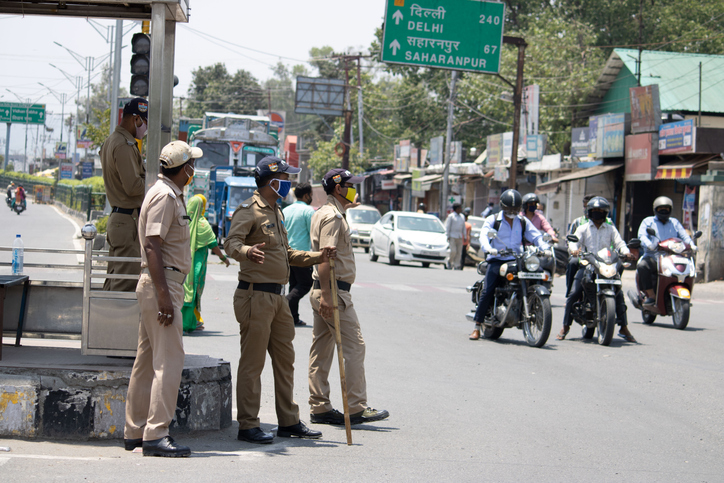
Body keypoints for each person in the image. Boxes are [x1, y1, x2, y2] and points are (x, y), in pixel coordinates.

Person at [224, 156, 334, 445]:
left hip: (278, 299)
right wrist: (247, 251)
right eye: (285, 177)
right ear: (272, 180)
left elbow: (287, 255)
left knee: (285, 361)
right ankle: (248, 425)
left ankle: (288, 420)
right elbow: (230, 243)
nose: (290, 182)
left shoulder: (278, 211)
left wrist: (319, 256)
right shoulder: (250, 210)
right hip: (255, 295)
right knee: (253, 363)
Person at [123, 140, 201, 458]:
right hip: (162, 284)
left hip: (162, 283)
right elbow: (153, 246)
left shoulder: (167, 193)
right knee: (170, 361)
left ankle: (135, 430)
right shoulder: (165, 196)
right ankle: (155, 433)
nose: (193, 169)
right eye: (191, 164)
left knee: (146, 362)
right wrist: (164, 296)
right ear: (184, 169)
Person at [308, 168, 389, 426]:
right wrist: (329, 297)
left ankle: (319, 407)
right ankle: (355, 407)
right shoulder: (333, 217)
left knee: (321, 351)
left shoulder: (327, 211)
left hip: (324, 290)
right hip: (334, 291)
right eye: (351, 185)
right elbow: (325, 257)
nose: (356, 189)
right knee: (355, 347)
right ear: (338, 188)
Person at [469, 189, 549, 340]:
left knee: (538, 272)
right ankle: (477, 326)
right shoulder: (493, 220)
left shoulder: (522, 221)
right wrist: (489, 249)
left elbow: (536, 236)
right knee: (488, 290)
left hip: (518, 259)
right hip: (497, 259)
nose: (512, 212)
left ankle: (538, 309)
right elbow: (484, 236)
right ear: (502, 207)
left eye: (515, 209)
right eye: (509, 209)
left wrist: (545, 248)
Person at [558, 196, 637, 343]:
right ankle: (565, 326)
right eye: (595, 211)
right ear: (589, 212)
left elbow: (620, 243)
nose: (598, 213)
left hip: (606, 265)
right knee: (574, 293)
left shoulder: (611, 229)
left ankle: (623, 327)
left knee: (618, 294)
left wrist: (626, 253)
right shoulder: (583, 228)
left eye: (601, 211)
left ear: (606, 213)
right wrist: (574, 250)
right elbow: (573, 242)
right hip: (588, 265)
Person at [101, 97, 149, 292]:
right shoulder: (123, 145)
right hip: (127, 222)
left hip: (122, 219)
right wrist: (156, 183)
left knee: (114, 280)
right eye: (144, 123)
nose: (145, 128)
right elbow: (133, 186)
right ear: (136, 119)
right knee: (124, 284)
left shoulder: (114, 140)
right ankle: (114, 323)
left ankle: (104, 322)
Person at [181, 194, 230, 333]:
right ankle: (188, 323)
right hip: (196, 265)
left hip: (180, 262)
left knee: (182, 291)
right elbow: (214, 245)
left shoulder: (182, 221)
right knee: (193, 292)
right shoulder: (202, 223)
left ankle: (182, 321)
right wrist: (224, 258)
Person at [637, 196, 694, 305]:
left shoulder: (674, 223)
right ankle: (651, 295)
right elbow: (642, 236)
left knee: (687, 268)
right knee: (643, 266)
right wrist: (649, 245)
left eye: (666, 209)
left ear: (670, 210)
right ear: (655, 210)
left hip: (672, 256)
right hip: (653, 256)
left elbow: (684, 236)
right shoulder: (648, 221)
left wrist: (692, 244)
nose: (664, 211)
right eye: (660, 209)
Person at [283, 183, 316, 327]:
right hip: (301, 254)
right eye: (311, 195)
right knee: (306, 283)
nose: (312, 197)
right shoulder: (308, 211)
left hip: (287, 253)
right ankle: (285, 302)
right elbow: (314, 233)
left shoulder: (286, 210)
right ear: (306, 195)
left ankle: (293, 317)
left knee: (294, 284)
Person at [565, 195, 595, 296]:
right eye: (584, 206)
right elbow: (570, 240)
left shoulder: (607, 223)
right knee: (573, 263)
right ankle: (570, 293)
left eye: (588, 207)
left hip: (600, 258)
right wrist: (575, 250)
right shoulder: (578, 222)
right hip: (582, 257)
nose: (585, 209)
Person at [445, 202, 466, 270]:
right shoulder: (451, 216)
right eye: (460, 208)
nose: (461, 209)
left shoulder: (462, 216)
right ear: (456, 209)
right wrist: (447, 235)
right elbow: (448, 226)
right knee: (453, 251)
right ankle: (449, 261)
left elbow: (463, 227)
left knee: (459, 252)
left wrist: (465, 236)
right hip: (452, 236)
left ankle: (457, 265)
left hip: (459, 236)